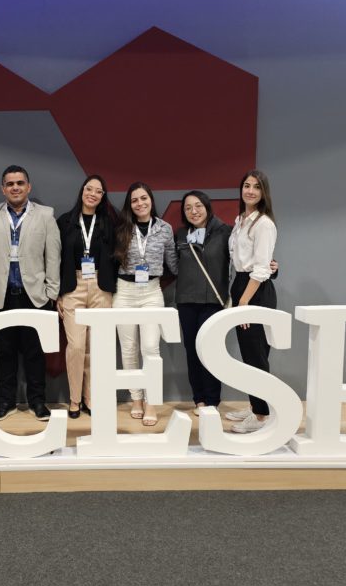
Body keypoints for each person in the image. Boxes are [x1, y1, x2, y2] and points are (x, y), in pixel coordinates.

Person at [0, 164, 61, 420]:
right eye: (10, 184)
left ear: (28, 187)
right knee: (5, 352)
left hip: (35, 296)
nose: (15, 188)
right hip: (1, 296)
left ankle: (37, 402)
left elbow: (53, 255)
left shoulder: (45, 215)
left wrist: (51, 293)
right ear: (3, 189)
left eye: (19, 183)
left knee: (35, 352)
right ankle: (6, 402)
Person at [113, 182, 178, 427]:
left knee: (151, 348)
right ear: (129, 205)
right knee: (129, 349)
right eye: (134, 200)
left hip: (152, 292)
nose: (140, 203)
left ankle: (152, 401)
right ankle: (137, 399)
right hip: (125, 293)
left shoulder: (164, 228)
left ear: (151, 199)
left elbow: (174, 263)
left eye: (143, 198)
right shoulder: (121, 228)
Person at [56, 175, 118, 418]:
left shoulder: (109, 223)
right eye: (89, 189)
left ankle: (90, 397)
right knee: (76, 346)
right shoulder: (65, 222)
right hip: (74, 286)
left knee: (95, 347)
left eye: (98, 191)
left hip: (101, 287)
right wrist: (59, 294)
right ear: (82, 191)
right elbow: (56, 258)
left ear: (103, 197)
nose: (93, 194)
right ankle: (74, 399)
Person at [225, 169, 278, 433]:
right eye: (247, 185)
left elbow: (260, 269)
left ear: (263, 192)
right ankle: (256, 405)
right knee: (249, 353)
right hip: (241, 285)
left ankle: (261, 415)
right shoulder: (240, 220)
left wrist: (243, 303)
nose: (250, 191)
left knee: (256, 353)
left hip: (254, 290)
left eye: (256, 187)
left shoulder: (264, 224)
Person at [174, 190, 231, 415]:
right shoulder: (181, 235)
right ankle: (198, 398)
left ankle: (212, 400)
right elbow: (174, 264)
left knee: (210, 350)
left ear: (207, 206)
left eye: (198, 206)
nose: (194, 211)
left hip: (213, 301)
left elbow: (242, 259)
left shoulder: (224, 232)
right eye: (188, 208)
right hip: (186, 300)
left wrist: (271, 266)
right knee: (192, 350)